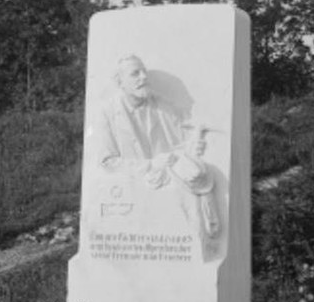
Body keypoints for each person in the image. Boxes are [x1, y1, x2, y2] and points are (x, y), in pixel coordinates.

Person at [94, 54, 222, 254]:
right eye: (135, 74)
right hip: (134, 187)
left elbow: (183, 138)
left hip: (169, 180)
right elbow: (107, 162)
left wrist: (191, 148)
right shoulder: (107, 112)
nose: (143, 77)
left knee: (198, 179)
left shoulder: (163, 105)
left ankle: (203, 246)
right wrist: (152, 164)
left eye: (144, 72)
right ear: (120, 82)